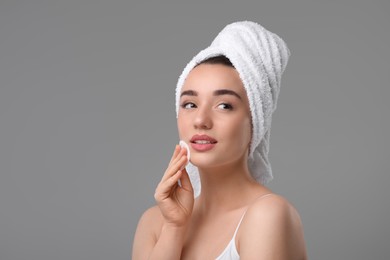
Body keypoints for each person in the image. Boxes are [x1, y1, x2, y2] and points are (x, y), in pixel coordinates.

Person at [132, 21, 307, 260]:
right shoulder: (154, 223)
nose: (201, 120)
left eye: (224, 105)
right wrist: (174, 228)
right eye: (190, 104)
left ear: (255, 120)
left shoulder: (267, 215)